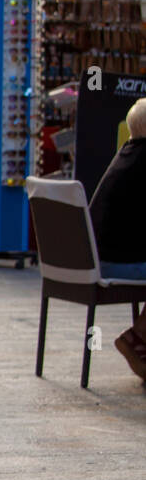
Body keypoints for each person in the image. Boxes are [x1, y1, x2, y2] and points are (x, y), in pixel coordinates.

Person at [88, 97, 146, 381]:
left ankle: (140, 341)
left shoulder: (126, 156)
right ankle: (137, 338)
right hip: (117, 263)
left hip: (96, 259)